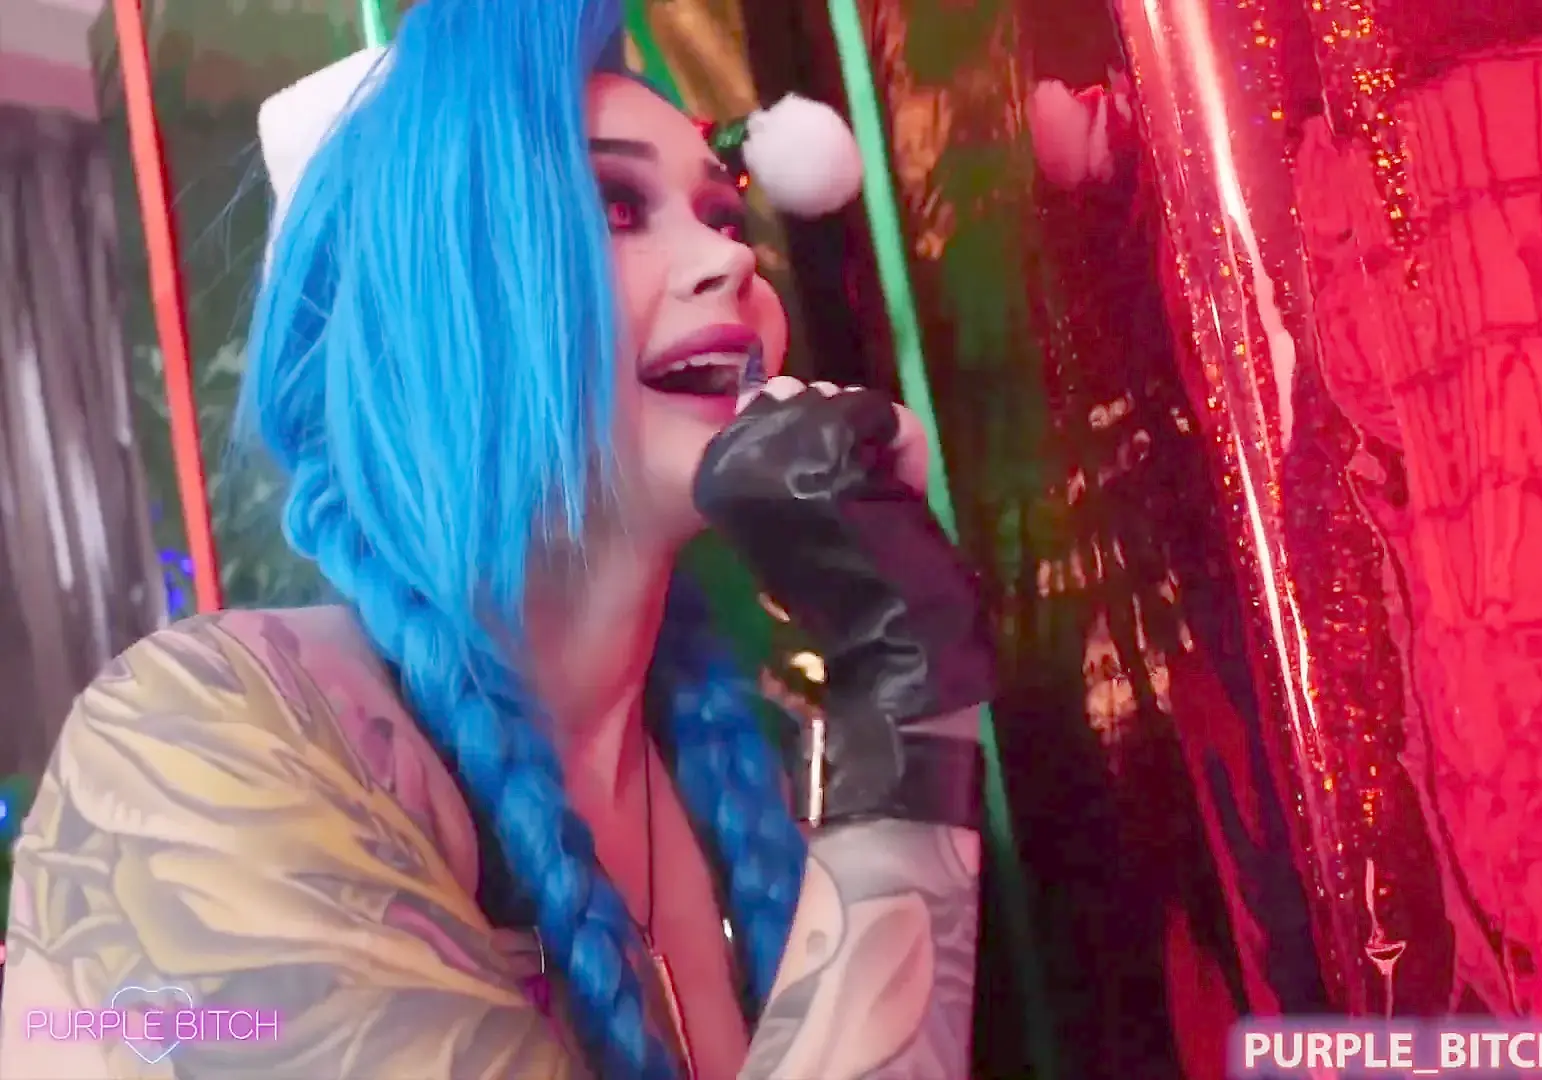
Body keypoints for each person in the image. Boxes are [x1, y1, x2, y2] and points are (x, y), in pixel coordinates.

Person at [0, 1, 992, 1077]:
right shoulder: (198, 738)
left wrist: (904, 668)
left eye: (723, 213)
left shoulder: (739, 768)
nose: (729, 260)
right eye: (615, 206)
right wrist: (905, 696)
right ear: (425, 312)